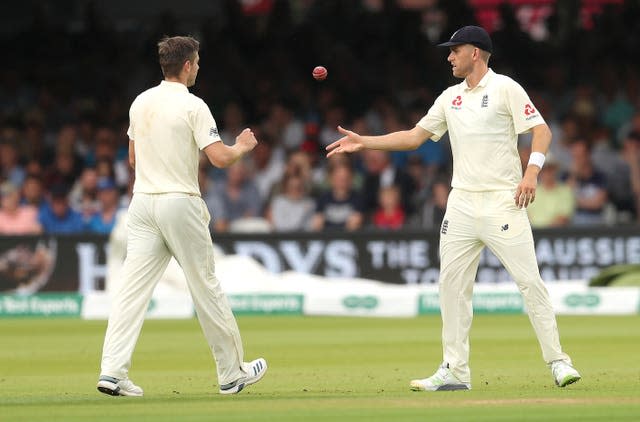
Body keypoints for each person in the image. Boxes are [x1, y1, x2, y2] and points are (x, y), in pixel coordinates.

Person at [326, 26, 580, 391]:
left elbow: (542, 132)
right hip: (460, 203)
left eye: (455, 50)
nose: (449, 57)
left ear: (475, 52)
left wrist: (532, 173)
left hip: (503, 201)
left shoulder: (505, 88)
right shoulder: (450, 98)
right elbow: (414, 137)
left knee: (529, 283)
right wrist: (364, 142)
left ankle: (558, 362)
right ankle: (455, 370)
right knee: (451, 286)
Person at [97, 36, 267, 398]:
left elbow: (132, 159)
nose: (198, 68)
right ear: (188, 65)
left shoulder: (140, 102)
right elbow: (220, 158)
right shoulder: (194, 105)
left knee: (130, 291)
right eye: (198, 63)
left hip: (142, 204)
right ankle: (232, 373)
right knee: (205, 286)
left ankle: (112, 372)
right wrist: (243, 147)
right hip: (179, 201)